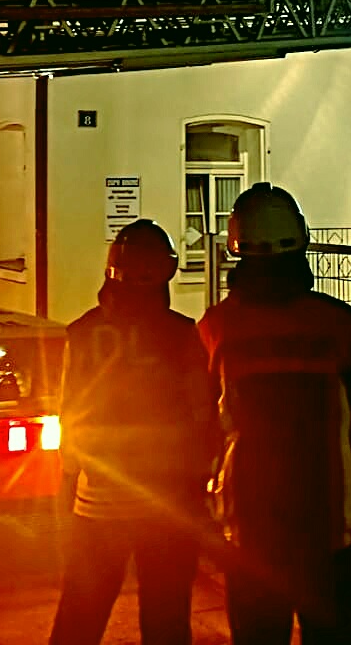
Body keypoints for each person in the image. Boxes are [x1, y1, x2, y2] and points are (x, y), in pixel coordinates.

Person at [199, 183, 351, 645]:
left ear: (236, 247)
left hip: (249, 518)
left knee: (258, 629)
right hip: (330, 515)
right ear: (300, 240)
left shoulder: (216, 326)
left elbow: (204, 420)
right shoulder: (339, 321)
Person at [49, 219, 221, 645]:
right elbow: (203, 416)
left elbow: (69, 414)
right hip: (168, 505)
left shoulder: (82, 332)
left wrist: (68, 487)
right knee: (166, 617)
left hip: (97, 503)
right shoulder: (181, 334)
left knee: (80, 616)